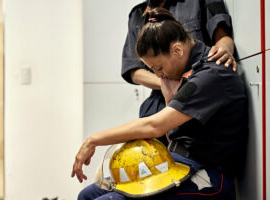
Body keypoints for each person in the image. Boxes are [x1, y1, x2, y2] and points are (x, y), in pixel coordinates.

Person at [72, 8, 247, 200]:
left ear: (177, 50)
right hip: (179, 162)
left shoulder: (209, 76)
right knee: (87, 196)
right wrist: (169, 97)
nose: (158, 75)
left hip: (210, 176)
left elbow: (154, 126)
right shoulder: (189, 72)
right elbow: (172, 137)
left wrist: (93, 139)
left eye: (159, 67)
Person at [122, 0, 236, 146]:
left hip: (196, 94)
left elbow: (223, 38)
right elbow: (133, 70)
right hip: (161, 99)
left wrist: (221, 55)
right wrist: (167, 82)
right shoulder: (137, 14)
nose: (157, 72)